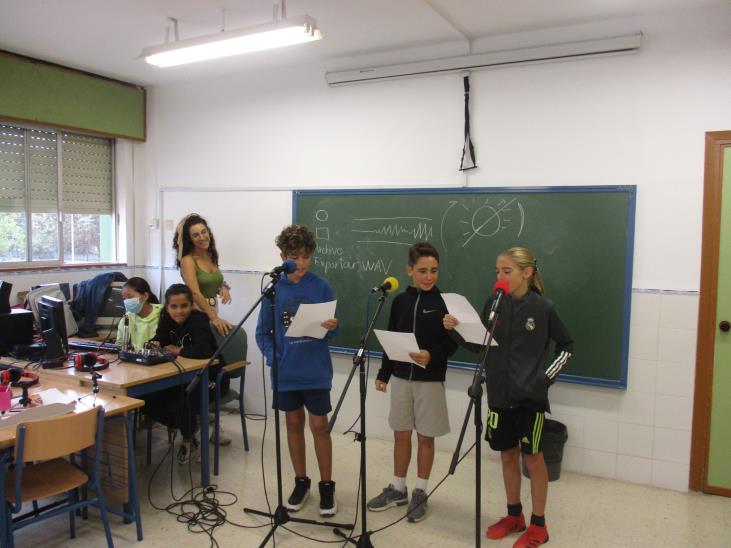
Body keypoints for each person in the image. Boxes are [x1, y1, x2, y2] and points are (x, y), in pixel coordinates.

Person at [443, 247, 573, 548]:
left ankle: (539, 525)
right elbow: (481, 345)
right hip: (499, 396)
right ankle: (514, 515)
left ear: (526, 273)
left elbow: (567, 346)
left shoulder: (544, 308)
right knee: (507, 455)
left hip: (530, 400)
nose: (499, 277)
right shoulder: (493, 304)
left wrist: (545, 379)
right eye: (497, 271)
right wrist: (455, 330)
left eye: (506, 271)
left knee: (533, 458)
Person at [367, 242, 458, 523]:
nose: (429, 276)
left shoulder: (445, 304)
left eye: (434, 271)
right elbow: (391, 339)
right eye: (422, 271)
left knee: (425, 437)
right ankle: (398, 488)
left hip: (430, 380)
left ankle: (420, 491)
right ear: (409, 270)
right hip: (401, 379)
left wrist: (432, 355)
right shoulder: (399, 302)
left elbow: (452, 343)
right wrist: (384, 373)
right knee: (401, 434)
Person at [255, 224, 339, 517]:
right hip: (286, 372)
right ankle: (301, 482)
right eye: (294, 257)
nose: (301, 263)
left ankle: (327, 486)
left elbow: (332, 331)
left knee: (319, 426)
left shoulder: (321, 286)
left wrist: (332, 327)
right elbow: (262, 333)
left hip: (315, 369)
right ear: (283, 256)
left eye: (305, 256)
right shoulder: (274, 289)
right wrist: (273, 358)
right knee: (293, 423)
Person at [148, 284, 225, 464]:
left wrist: (178, 350)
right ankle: (191, 428)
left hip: (212, 377)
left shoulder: (198, 320)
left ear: (192, 305)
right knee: (149, 399)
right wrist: (154, 344)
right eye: (173, 306)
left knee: (184, 399)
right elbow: (160, 339)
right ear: (167, 307)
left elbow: (204, 350)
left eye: (184, 306)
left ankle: (189, 436)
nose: (179, 311)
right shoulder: (166, 318)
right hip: (181, 378)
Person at [173, 213, 232, 336]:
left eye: (204, 232)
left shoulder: (212, 255)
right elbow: (195, 293)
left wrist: (223, 286)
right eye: (196, 235)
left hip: (212, 309)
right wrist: (214, 318)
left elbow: (212, 279)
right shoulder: (188, 260)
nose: (202, 237)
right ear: (189, 239)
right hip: (195, 312)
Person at [116, 277, 162, 350]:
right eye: (124, 298)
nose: (126, 302)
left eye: (129, 297)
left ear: (145, 296)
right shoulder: (126, 318)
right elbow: (119, 346)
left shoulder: (163, 314)